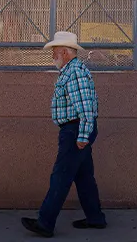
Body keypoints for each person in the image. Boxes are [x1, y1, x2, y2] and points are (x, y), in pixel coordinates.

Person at [22, 31, 107, 238]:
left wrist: (82, 136)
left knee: (60, 176)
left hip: (75, 130)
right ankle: (95, 218)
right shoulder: (71, 70)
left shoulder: (74, 72)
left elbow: (86, 108)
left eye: (55, 52)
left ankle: (45, 222)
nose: (52, 56)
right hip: (76, 129)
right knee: (84, 176)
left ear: (65, 52)